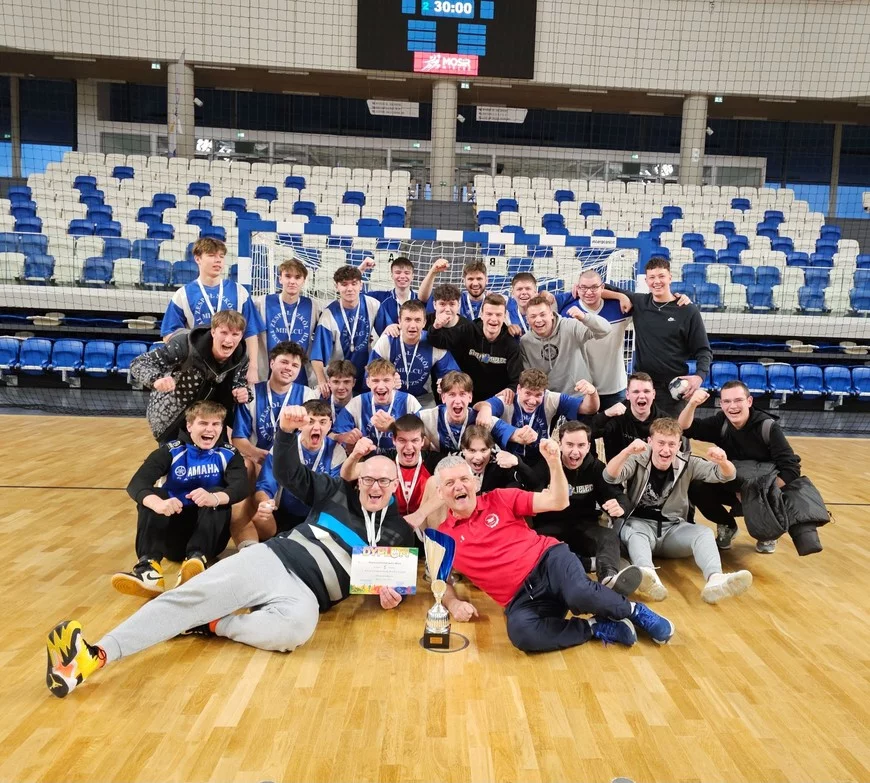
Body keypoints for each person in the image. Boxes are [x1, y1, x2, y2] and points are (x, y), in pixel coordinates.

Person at [45, 405, 415, 699]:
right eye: (368, 478)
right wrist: (286, 433)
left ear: (395, 484)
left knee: (294, 633)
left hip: (308, 597)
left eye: (384, 480)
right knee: (187, 597)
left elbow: (394, 583)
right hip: (272, 560)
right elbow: (288, 473)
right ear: (358, 480)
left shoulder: (398, 531)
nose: (375, 487)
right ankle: (94, 656)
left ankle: (212, 624)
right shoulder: (335, 491)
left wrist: (390, 596)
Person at [430, 445, 675, 653]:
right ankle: (594, 627)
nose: (459, 486)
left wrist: (554, 462)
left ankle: (635, 611)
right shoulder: (442, 538)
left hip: (549, 561)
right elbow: (441, 582)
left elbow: (559, 501)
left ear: (474, 482)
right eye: (450, 483)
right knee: (522, 634)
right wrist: (453, 604)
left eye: (464, 479)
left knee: (579, 592)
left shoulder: (500, 498)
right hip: (521, 599)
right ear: (440, 492)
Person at [603, 417, 752, 604]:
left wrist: (723, 461)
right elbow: (610, 476)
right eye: (661, 443)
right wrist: (626, 452)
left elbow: (726, 475)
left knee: (704, 533)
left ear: (679, 445)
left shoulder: (687, 462)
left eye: (671, 444)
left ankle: (715, 579)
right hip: (639, 526)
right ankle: (648, 575)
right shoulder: (637, 459)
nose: (666, 450)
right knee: (635, 533)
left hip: (672, 530)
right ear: (650, 442)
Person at [112, 401, 249, 598]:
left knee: (218, 495)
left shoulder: (229, 453)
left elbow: (241, 486)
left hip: (209, 537)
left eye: (216, 424)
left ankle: (196, 562)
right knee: (154, 496)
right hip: (173, 537)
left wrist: (214, 497)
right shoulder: (170, 451)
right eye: (203, 423)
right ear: (189, 425)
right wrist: (159, 504)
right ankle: (148, 570)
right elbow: (137, 483)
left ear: (221, 427)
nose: (210, 429)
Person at [679, 382, 805, 554]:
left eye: (738, 400)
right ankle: (728, 525)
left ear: (749, 401)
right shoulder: (721, 423)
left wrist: (755, 493)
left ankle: (767, 531)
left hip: (763, 490)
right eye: (727, 401)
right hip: (734, 484)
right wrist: (692, 404)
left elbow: (791, 470)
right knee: (695, 485)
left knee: (780, 487)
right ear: (721, 404)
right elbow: (684, 428)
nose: (733, 406)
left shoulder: (767, 427)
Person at [530, 421, 640, 594]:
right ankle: (589, 563)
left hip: (584, 527)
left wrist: (620, 507)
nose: (575, 452)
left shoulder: (596, 467)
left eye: (581, 445)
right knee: (531, 548)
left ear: (588, 446)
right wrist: (540, 497)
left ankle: (609, 577)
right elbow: (526, 496)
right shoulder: (545, 466)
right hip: (550, 528)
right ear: (560, 444)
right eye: (570, 445)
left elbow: (618, 495)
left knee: (609, 536)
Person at [606, 257, 712, 416]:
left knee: (671, 431)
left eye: (661, 276)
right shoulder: (640, 302)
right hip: (643, 388)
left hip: (672, 390)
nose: (657, 281)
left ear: (670, 277)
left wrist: (699, 377)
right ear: (646, 281)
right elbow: (600, 288)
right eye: (652, 277)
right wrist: (621, 297)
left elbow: (704, 350)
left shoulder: (687, 310)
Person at [131, 310, 251, 445]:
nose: (228, 340)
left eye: (235, 334)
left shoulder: (241, 358)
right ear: (213, 332)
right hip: (174, 418)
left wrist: (243, 392)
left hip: (210, 419)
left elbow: (239, 384)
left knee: (220, 457)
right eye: (224, 333)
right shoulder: (184, 345)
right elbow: (139, 363)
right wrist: (156, 379)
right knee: (174, 457)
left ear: (241, 336)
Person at [160, 237, 263, 387]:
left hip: (233, 366)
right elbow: (169, 335)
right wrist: (191, 355)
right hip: (197, 368)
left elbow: (251, 333)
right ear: (198, 259)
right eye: (212, 255)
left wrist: (253, 367)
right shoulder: (183, 294)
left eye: (221, 256)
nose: (218, 260)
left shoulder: (239, 292)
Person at [246, 400, 345, 540]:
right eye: (310, 421)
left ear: (330, 425)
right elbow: (265, 486)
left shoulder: (336, 450)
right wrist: (264, 503)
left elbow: (336, 493)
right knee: (260, 517)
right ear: (300, 425)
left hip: (318, 516)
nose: (316, 428)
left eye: (322, 422)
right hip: (284, 513)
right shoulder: (283, 447)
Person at [475, 368, 599, 465]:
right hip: (508, 458)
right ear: (518, 389)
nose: (532, 401)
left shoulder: (550, 398)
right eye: (528, 393)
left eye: (538, 395)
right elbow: (478, 408)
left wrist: (592, 393)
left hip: (539, 458)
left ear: (544, 392)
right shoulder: (507, 399)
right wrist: (485, 408)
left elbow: (589, 408)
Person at [232, 341, 317, 472]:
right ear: (272, 363)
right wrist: (257, 454)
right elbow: (238, 438)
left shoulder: (308, 395)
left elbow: (311, 436)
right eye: (284, 362)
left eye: (295, 365)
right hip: (258, 461)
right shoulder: (250, 393)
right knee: (246, 465)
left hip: (293, 462)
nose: (289, 368)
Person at [426, 293, 523, 404]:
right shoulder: (468, 330)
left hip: (496, 401)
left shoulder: (511, 343)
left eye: (498, 315)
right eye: (489, 314)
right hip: (466, 397)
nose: (494, 319)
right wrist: (436, 326)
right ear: (481, 315)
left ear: (504, 316)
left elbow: (517, 379)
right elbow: (437, 341)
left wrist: (510, 390)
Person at [556, 269, 632, 408]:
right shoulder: (567, 312)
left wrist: (621, 296)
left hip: (614, 388)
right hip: (581, 388)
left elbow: (647, 302)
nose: (589, 292)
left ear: (602, 287)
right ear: (577, 288)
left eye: (594, 287)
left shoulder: (620, 307)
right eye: (584, 287)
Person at [370, 299, 461, 406]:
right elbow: (371, 373)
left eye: (417, 320)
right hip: (392, 395)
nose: (412, 325)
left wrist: (445, 382)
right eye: (408, 319)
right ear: (399, 321)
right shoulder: (387, 341)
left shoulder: (433, 342)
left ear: (424, 323)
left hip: (424, 398)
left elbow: (453, 373)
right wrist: (386, 380)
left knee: (432, 416)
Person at [520, 294, 612, 396]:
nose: (538, 320)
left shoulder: (570, 326)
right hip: (549, 399)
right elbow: (529, 377)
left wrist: (584, 317)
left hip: (578, 395)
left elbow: (605, 330)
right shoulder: (525, 342)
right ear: (527, 319)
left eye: (543, 315)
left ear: (551, 314)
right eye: (533, 316)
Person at [341, 415, 431, 516]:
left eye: (414, 440)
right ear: (394, 440)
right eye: (402, 440)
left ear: (422, 441)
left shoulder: (432, 460)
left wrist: (420, 515)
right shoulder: (385, 460)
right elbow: (347, 476)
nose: (409, 447)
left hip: (424, 521)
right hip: (389, 520)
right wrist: (354, 455)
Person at [310, 265, 381, 394]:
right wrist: (321, 381)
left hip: (366, 376)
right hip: (340, 380)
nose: (349, 289)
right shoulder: (329, 315)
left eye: (354, 283)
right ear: (336, 287)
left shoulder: (373, 304)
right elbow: (317, 356)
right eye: (344, 284)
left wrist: (391, 327)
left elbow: (389, 333)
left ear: (361, 285)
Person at [331, 358, 422, 454]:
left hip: (401, 458)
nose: (381, 386)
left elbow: (424, 439)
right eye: (375, 381)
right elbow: (331, 436)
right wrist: (344, 437)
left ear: (394, 382)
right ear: (368, 382)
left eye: (386, 380)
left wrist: (394, 427)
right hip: (366, 459)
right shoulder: (356, 403)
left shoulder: (409, 401)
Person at [254, 259, 320, 386]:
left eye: (297, 277)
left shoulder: (313, 306)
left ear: (303, 281)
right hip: (266, 373)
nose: (292, 281)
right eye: (288, 276)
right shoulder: (262, 303)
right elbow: (250, 335)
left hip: (302, 375)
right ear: (280, 279)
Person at [418, 371, 518, 454]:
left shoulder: (482, 418)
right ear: (443, 397)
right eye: (452, 394)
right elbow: (408, 427)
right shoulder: (427, 417)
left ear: (470, 397)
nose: (457, 401)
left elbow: (518, 435)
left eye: (462, 394)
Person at [590, 371, 668, 462]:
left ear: (653, 394)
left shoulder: (664, 420)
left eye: (646, 391)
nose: (642, 396)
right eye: (636, 392)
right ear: (627, 395)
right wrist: (606, 414)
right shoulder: (616, 416)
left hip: (652, 469)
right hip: (620, 468)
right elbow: (589, 432)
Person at [370, 256, 427, 334]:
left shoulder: (421, 299)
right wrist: (362, 268)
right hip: (388, 341)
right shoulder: (381, 298)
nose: (402, 276)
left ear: (412, 276)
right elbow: (356, 294)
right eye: (398, 272)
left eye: (407, 273)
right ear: (392, 275)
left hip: (415, 341)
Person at [422, 259, 489, 320]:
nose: (475, 283)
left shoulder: (492, 301)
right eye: (470, 279)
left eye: (479, 279)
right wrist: (432, 272)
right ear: (464, 281)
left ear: (486, 280)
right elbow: (422, 299)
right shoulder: (454, 299)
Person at [504, 272, 538, 337]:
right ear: (512, 293)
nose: (524, 292)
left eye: (528, 289)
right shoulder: (506, 314)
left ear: (535, 292)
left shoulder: (543, 313)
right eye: (519, 289)